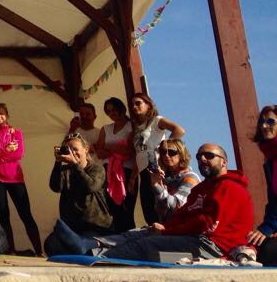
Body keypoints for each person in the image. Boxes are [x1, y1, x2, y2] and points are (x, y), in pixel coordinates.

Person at [54, 143, 256, 263]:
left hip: (210, 246)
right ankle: (87, 246)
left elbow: (204, 222)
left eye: (209, 155)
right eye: (200, 155)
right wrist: (164, 226)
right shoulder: (201, 189)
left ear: (224, 161)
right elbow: (179, 215)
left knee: (147, 246)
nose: (203, 158)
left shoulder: (227, 187)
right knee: (137, 233)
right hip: (189, 236)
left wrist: (166, 230)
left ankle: (93, 256)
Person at [0, 103, 42, 255]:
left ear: (7, 115)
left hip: (14, 177)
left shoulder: (16, 133)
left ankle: (39, 251)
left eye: (1, 113)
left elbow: (18, 154)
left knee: (25, 213)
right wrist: (5, 150)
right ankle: (10, 250)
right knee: (3, 214)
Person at [44, 133, 111, 256]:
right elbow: (55, 187)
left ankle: (89, 247)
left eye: (75, 149)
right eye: (68, 150)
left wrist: (75, 165)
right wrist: (58, 162)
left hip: (94, 226)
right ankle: (78, 249)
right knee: (50, 245)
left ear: (86, 150)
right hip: (72, 227)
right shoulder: (66, 171)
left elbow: (90, 186)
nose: (72, 153)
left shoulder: (97, 168)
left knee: (81, 246)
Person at [129, 93, 185, 225]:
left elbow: (180, 130)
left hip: (156, 167)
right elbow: (140, 153)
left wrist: (163, 148)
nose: (134, 106)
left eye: (138, 103)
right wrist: (132, 177)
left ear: (148, 105)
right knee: (147, 206)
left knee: (157, 205)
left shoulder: (157, 120)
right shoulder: (136, 128)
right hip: (143, 170)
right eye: (132, 105)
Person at [96, 96, 136, 231]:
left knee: (127, 208)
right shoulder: (105, 128)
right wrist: (117, 148)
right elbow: (100, 153)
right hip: (108, 171)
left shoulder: (132, 126)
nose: (111, 114)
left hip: (127, 171)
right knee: (112, 208)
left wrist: (108, 146)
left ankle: (131, 241)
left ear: (121, 109)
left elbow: (129, 151)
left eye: (114, 110)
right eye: (108, 111)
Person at [248, 104, 277, 266]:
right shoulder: (270, 159)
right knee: (254, 244)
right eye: (262, 122)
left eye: (271, 121)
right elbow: (274, 203)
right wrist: (266, 229)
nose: (264, 126)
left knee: (269, 251)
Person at [148, 138, 199, 221]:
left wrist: (155, 185)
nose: (166, 155)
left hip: (182, 228)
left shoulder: (190, 178)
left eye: (171, 152)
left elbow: (177, 205)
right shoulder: (165, 178)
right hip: (165, 226)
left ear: (181, 154)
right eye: (163, 152)